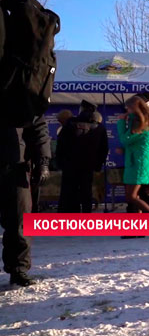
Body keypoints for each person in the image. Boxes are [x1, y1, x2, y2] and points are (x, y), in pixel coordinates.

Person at [1, 115, 50, 286]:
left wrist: (43, 161)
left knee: (19, 221)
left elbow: (38, 128)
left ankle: (18, 270)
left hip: (15, 165)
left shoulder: (22, 96)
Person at [56, 100, 109, 213]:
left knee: (69, 194)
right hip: (88, 166)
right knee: (86, 193)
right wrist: (98, 165)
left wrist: (60, 162)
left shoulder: (70, 123)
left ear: (81, 109)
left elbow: (61, 145)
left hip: (70, 166)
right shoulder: (100, 127)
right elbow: (104, 149)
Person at [117, 96, 149, 214]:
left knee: (131, 197)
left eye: (128, 108)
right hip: (136, 161)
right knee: (134, 197)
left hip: (139, 163)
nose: (127, 111)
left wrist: (121, 122)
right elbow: (132, 141)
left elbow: (125, 139)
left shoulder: (141, 123)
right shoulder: (138, 121)